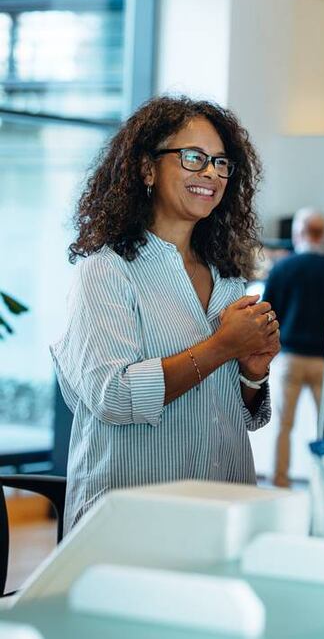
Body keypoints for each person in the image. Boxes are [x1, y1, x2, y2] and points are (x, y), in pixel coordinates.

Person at [53, 96, 280, 533]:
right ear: (147, 168)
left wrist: (252, 375)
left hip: (225, 511)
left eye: (220, 163)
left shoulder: (227, 277)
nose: (211, 173)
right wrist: (221, 346)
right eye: (194, 158)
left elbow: (232, 414)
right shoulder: (106, 270)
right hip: (131, 521)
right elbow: (113, 397)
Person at [261, 208, 324, 487]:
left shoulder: (282, 268)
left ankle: (280, 480)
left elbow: (268, 313)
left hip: (290, 358)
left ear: (297, 233)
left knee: (283, 425)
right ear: (323, 234)